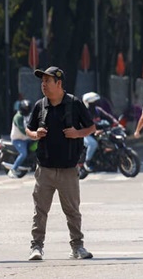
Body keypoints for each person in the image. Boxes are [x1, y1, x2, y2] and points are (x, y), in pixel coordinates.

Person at [26, 66, 97, 261]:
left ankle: (77, 246)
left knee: (72, 211)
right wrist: (35, 134)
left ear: (58, 83)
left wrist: (77, 133)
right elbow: (29, 130)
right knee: (40, 211)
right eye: (42, 81)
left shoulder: (74, 103)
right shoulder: (40, 105)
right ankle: (36, 247)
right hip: (45, 169)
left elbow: (91, 127)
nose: (43, 85)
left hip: (68, 169)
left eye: (47, 81)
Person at [80, 92, 115, 172]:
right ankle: (87, 162)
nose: (95, 103)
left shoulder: (97, 110)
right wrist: (96, 130)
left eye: (96, 101)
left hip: (97, 132)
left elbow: (108, 117)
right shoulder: (84, 113)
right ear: (87, 103)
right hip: (85, 133)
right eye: (92, 102)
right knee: (93, 144)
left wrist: (115, 122)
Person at [8, 99, 32, 178]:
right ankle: (13, 169)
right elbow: (22, 129)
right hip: (18, 139)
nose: (26, 110)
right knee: (23, 154)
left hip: (28, 138)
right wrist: (32, 134)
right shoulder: (18, 117)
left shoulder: (29, 115)